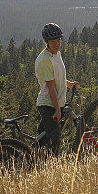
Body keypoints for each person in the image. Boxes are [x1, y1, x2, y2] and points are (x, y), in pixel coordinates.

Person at [35, 23, 78, 155]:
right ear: (47, 42)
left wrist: (69, 84)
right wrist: (58, 110)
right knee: (55, 139)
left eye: (59, 40)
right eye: (53, 41)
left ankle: (32, 160)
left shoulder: (56, 54)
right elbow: (51, 87)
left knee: (42, 139)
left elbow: (56, 79)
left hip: (56, 103)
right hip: (48, 104)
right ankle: (50, 166)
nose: (57, 44)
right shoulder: (44, 60)